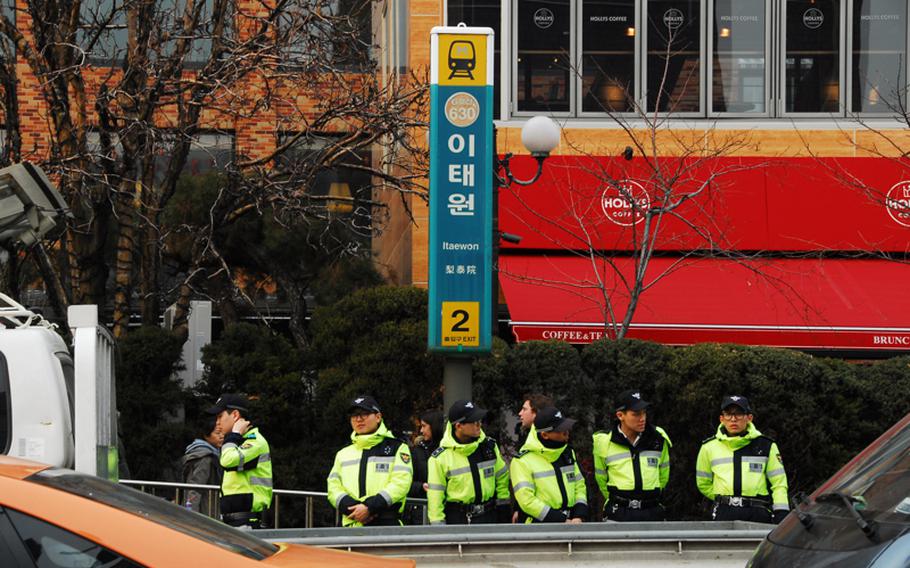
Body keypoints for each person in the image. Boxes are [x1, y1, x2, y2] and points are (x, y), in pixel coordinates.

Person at [696, 395, 789, 524]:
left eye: (739, 414)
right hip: (724, 511)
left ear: (749, 418)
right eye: (728, 414)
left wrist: (781, 511)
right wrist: (722, 499)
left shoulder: (766, 446)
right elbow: (703, 483)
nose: (733, 419)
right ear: (721, 419)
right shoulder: (708, 447)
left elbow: (779, 483)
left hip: (758, 511)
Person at [327, 395, 413, 527]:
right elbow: (333, 488)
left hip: (386, 525)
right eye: (354, 415)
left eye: (364, 414)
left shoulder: (398, 448)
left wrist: (369, 508)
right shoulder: (343, 454)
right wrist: (353, 508)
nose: (359, 419)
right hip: (350, 524)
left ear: (378, 417)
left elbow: (401, 483)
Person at [426, 400, 510, 525]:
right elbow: (435, 498)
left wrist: (504, 510)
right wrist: (438, 527)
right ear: (458, 426)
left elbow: (502, 478)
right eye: (474, 421)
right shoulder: (440, 458)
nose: (479, 424)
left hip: (490, 516)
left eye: (479, 420)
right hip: (457, 519)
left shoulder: (489, 447)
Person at [593, 389, 671, 521]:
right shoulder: (603, 441)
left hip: (652, 511)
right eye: (636, 414)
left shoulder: (658, 438)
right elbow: (601, 479)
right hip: (618, 512)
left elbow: (663, 475)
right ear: (620, 415)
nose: (643, 419)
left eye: (644, 413)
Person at [510, 406, 588, 523]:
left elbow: (579, 486)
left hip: (572, 524)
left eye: (566, 426)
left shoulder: (567, 453)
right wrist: (560, 520)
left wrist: (578, 515)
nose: (566, 431)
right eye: (560, 429)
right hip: (539, 529)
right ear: (545, 435)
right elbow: (527, 500)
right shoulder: (522, 461)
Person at [209, 393, 272, 529]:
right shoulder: (236, 441)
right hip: (233, 521)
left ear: (235, 415)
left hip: (247, 521)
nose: (217, 422)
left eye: (220, 416)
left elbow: (227, 460)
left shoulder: (254, 441)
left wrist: (234, 435)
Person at [180, 411, 224, 517]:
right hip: (204, 511)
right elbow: (195, 487)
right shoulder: (205, 457)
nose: (222, 436)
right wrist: (191, 514)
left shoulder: (208, 453)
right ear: (206, 435)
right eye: (217, 433)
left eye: (223, 433)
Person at [409, 409, 445, 499]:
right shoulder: (417, 451)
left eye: (424, 426)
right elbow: (406, 482)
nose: (421, 430)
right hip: (424, 505)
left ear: (435, 426)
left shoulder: (450, 449)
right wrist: (421, 487)